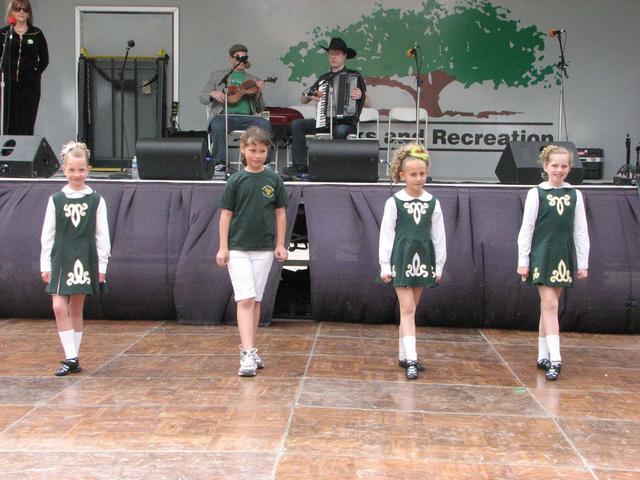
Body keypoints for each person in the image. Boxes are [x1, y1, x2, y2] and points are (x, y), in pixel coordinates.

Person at [216, 127, 288, 377]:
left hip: (264, 249)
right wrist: (223, 247)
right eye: (252, 150)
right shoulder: (235, 180)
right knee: (244, 298)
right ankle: (246, 353)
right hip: (238, 248)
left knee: (255, 299)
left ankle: (250, 347)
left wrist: (280, 244)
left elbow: (280, 213)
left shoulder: (274, 180)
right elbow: (226, 214)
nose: (257, 155)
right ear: (243, 150)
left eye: (262, 151)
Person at [517, 145, 589, 381]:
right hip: (542, 254)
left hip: (562, 255)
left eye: (564, 166)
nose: (559, 170)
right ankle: (556, 359)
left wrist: (583, 262)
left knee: (548, 305)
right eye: (555, 165)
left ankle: (543, 354)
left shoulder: (575, 195)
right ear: (546, 166)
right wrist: (523, 260)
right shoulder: (536, 193)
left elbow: (580, 231)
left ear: (569, 168)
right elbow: (527, 228)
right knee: (550, 305)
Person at [40, 142, 111, 376]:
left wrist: (102, 266)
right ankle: (71, 357)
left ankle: (73, 358)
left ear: (88, 170)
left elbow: (102, 235)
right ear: (64, 169)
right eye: (72, 170)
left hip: (84, 256)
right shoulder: (57, 199)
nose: (77, 175)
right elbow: (47, 235)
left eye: (81, 170)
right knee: (59, 306)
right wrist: (45, 264)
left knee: (76, 306)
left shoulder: (96, 199)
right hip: (61, 257)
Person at [378, 144, 446, 380]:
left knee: (411, 310)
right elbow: (386, 235)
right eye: (413, 174)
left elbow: (439, 237)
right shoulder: (394, 202)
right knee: (407, 308)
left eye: (422, 173)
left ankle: (404, 354)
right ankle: (413, 359)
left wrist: (438, 266)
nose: (418, 178)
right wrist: (385, 265)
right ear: (402, 176)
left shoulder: (433, 202)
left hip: (423, 258)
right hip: (402, 258)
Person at [283, 37, 367, 179]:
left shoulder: (354, 76)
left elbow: (369, 102)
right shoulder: (324, 78)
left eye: (337, 54)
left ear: (344, 56)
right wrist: (310, 94)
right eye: (331, 54)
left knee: (340, 130)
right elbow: (303, 100)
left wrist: (361, 94)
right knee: (297, 124)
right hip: (324, 121)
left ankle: (335, 169)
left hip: (345, 123)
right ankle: (300, 167)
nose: (333, 57)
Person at [199, 44, 272, 174]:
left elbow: (260, 107)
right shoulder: (218, 76)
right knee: (217, 124)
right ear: (231, 59)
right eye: (238, 58)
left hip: (248, 118)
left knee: (265, 124)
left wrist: (259, 92)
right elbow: (202, 97)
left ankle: (264, 163)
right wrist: (212, 93)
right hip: (224, 116)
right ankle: (219, 163)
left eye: (244, 58)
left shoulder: (253, 80)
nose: (241, 61)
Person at [0, 0, 48, 135]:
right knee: (8, 120)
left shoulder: (36, 33)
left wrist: (35, 73)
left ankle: (25, 152)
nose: (21, 12)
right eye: (17, 8)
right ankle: (8, 152)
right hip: (8, 84)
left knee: (27, 119)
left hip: (29, 85)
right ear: (11, 11)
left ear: (29, 13)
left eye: (25, 9)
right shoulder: (4, 33)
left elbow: (44, 59)